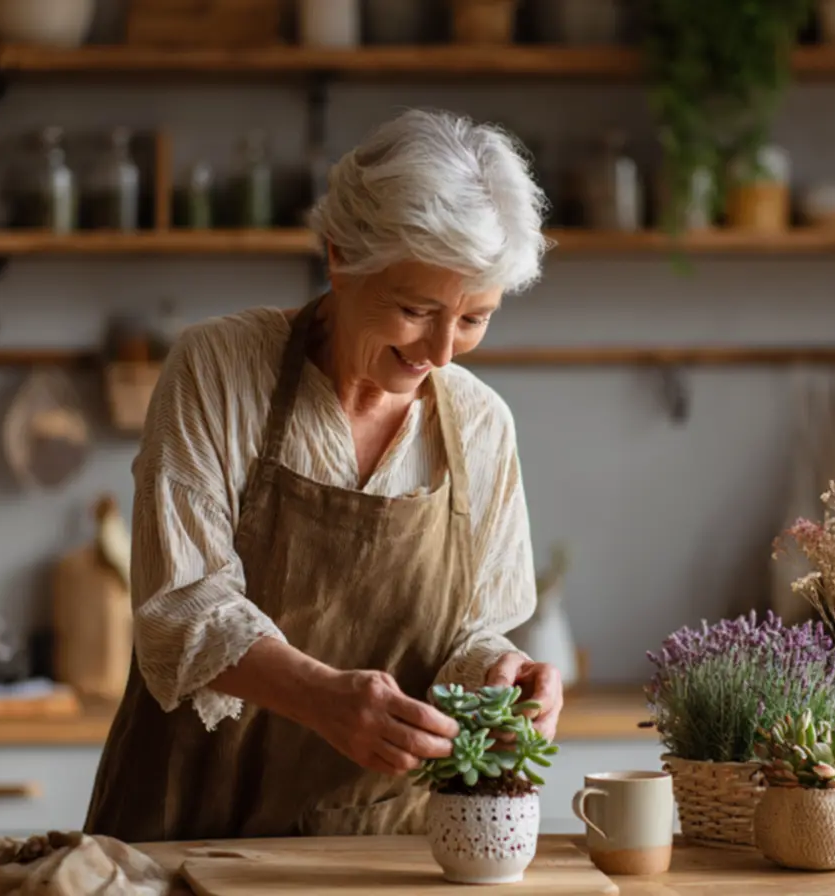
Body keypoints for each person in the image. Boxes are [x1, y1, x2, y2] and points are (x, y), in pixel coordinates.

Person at [83, 108, 563, 843]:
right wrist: (321, 696)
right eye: (417, 309)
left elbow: (468, 630)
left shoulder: (480, 425)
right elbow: (180, 608)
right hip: (188, 827)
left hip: (374, 847)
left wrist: (503, 673)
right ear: (341, 255)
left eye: (474, 318)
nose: (441, 351)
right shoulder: (217, 370)